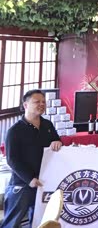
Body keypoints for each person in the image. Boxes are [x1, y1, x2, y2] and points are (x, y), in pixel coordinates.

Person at [2, 90, 62, 228]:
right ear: (25, 105)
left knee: (39, 221)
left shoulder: (48, 125)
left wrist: (57, 142)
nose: (41, 104)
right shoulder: (14, 130)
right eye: (37, 102)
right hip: (22, 184)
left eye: (43, 102)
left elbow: (57, 140)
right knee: (11, 223)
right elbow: (12, 159)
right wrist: (29, 179)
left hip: (44, 182)